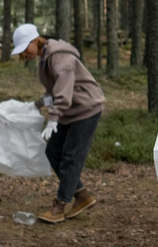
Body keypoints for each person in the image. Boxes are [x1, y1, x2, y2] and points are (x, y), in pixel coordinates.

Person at [12, 22, 105, 224]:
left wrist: (53, 119)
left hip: (86, 108)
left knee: (71, 157)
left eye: (25, 49)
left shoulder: (60, 58)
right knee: (53, 151)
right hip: (69, 110)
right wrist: (35, 105)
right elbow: (53, 94)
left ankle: (59, 206)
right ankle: (81, 196)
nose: (24, 55)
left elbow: (63, 94)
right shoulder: (44, 59)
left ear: (36, 41)